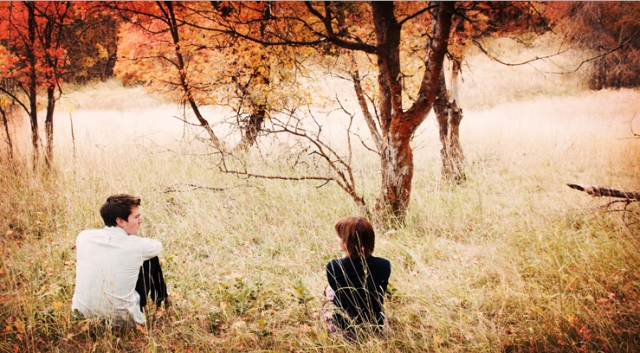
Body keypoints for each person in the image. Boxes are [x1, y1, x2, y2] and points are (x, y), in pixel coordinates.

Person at [71, 194, 169, 325]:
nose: (141, 220)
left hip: (82, 315)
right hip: (124, 321)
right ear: (120, 221)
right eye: (136, 217)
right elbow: (157, 246)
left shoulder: (84, 237)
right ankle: (162, 301)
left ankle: (161, 301)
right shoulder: (137, 245)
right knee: (151, 258)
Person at [323, 216, 391, 337]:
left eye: (340, 236)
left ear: (347, 241)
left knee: (328, 290)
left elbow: (337, 290)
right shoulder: (385, 265)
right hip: (374, 326)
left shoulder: (334, 266)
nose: (337, 239)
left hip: (344, 327)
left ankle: (332, 328)